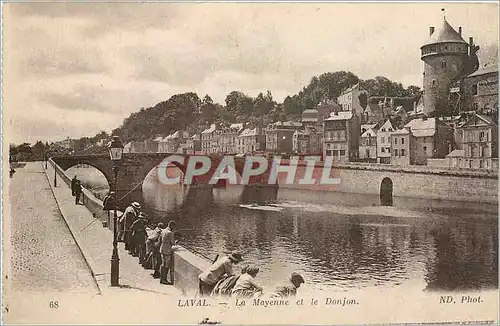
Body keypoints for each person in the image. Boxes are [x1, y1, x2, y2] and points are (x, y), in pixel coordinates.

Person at [159, 221, 177, 285]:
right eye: (174, 227)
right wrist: (176, 241)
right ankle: (164, 279)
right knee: (166, 265)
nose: (174, 228)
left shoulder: (163, 231)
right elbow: (173, 242)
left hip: (162, 248)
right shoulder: (170, 233)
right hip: (167, 251)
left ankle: (161, 279)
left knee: (163, 264)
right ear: (171, 226)